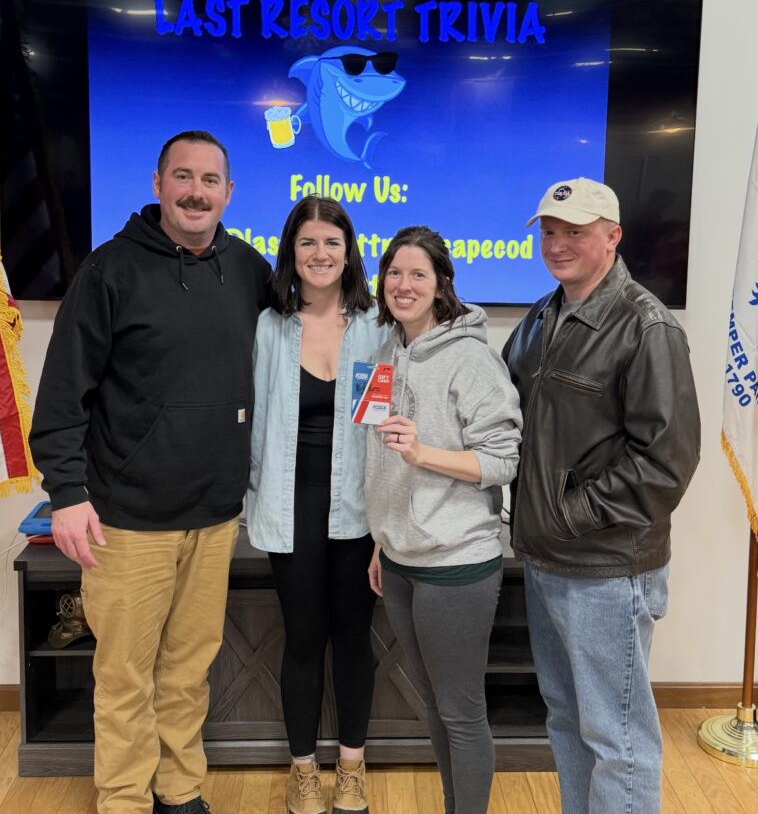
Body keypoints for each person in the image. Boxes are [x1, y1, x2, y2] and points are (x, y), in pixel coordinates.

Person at [29, 130, 272, 814]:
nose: (196, 192)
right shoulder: (108, 272)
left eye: (210, 180)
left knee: (188, 670)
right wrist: (67, 495)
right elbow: (62, 397)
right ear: (158, 183)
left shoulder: (248, 269)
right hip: (126, 521)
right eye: (183, 177)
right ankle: (125, 799)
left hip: (215, 517)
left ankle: (178, 787)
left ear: (229, 192)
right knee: (125, 676)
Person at [502, 177, 700, 814]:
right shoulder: (538, 319)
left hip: (607, 569)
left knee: (618, 739)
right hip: (546, 561)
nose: (557, 245)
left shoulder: (647, 326)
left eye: (575, 232)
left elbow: (666, 462)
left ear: (613, 237)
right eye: (549, 232)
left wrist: (570, 513)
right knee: (566, 718)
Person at [364, 226, 522, 814]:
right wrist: (381, 540)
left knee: (461, 711)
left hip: (456, 563)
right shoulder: (386, 353)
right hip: (399, 561)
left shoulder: (471, 359)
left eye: (418, 274)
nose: (403, 285)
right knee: (433, 704)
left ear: (441, 285)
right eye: (394, 273)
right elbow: (381, 462)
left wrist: (423, 453)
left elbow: (503, 460)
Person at [247, 196, 388, 814]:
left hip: (359, 507)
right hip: (289, 506)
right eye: (308, 242)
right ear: (292, 252)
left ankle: (352, 769)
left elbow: (386, 425)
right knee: (303, 640)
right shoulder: (270, 327)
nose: (320, 253)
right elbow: (253, 424)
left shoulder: (378, 327)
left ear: (349, 252)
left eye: (332, 242)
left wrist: (389, 522)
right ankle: (303, 771)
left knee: (354, 638)